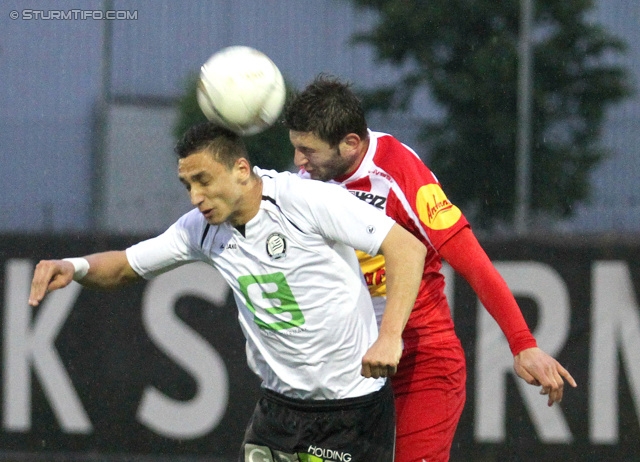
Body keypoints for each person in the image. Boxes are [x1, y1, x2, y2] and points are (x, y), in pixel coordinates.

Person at [28, 122, 427, 461]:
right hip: (278, 412)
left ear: (240, 169)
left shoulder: (304, 200)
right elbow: (125, 267)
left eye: (203, 180)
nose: (195, 197)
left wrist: (390, 336)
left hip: (349, 412)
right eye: (187, 184)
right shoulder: (199, 229)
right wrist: (75, 267)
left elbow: (407, 247)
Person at [283, 75, 578, 462]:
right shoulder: (306, 181)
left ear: (351, 143)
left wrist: (523, 344)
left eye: (308, 150)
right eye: (295, 148)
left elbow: (471, 261)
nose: (298, 162)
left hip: (421, 360)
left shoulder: (398, 175)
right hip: (345, 364)